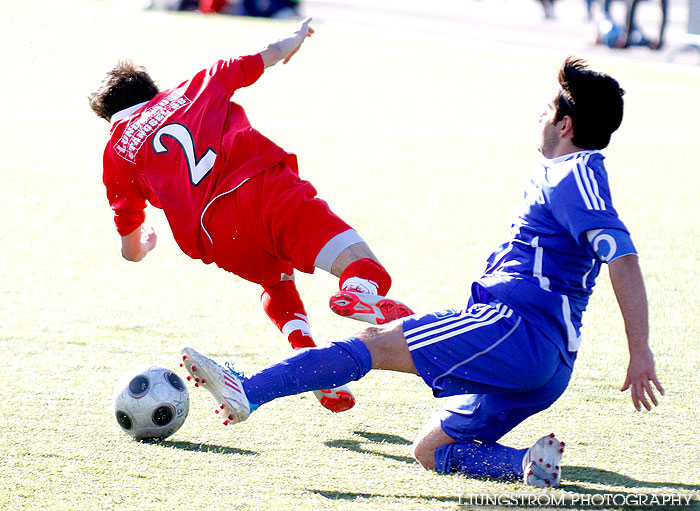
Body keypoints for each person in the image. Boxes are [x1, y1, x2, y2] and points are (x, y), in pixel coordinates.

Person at [179, 56, 664, 487]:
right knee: (430, 451)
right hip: (548, 364)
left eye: (548, 109)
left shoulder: (576, 175)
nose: (539, 115)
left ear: (565, 125)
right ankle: (524, 465)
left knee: (371, 343)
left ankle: (251, 390)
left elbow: (621, 256)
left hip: (517, 332)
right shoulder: (568, 172)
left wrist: (639, 351)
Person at [88, 18, 413, 415]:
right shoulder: (197, 84)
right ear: (153, 90)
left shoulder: (116, 150)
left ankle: (310, 361)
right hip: (262, 189)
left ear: (110, 118)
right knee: (363, 264)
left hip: (214, 235)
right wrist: (295, 39)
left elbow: (130, 248)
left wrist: (147, 244)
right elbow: (269, 54)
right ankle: (361, 291)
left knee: (275, 281)